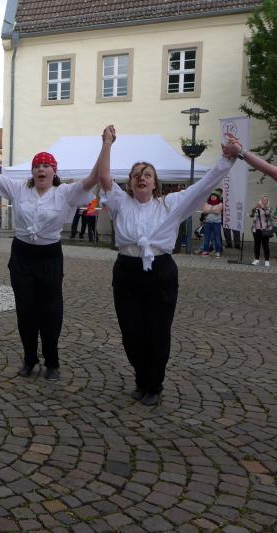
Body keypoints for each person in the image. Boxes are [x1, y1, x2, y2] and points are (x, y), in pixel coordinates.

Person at [99, 130, 240, 406]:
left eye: (147, 174)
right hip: (127, 271)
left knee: (157, 331)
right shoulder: (120, 202)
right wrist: (106, 144)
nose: (141, 177)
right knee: (131, 331)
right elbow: (104, 178)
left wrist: (225, 160)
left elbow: (203, 186)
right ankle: (141, 377)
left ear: (155, 184)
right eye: (136, 174)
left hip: (160, 271)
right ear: (130, 183)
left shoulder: (170, 204)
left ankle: (154, 384)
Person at [0, 130, 108, 378]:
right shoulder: (19, 189)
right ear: (32, 172)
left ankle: (52, 362)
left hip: (49, 256)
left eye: (46, 165)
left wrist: (106, 145)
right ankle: (29, 358)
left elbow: (93, 178)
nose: (41, 169)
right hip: (22, 255)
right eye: (37, 166)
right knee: (25, 309)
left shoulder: (65, 192)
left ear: (54, 171)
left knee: (50, 310)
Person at [250, 195, 272, 267]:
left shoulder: (268, 208)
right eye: (262, 200)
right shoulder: (257, 209)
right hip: (256, 229)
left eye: (265, 200)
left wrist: (262, 207)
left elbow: (268, 213)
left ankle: (267, 260)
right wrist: (254, 209)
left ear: (267, 201)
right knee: (257, 245)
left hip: (265, 230)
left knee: (265, 245)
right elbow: (251, 215)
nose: (263, 201)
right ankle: (256, 260)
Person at [200, 191, 223, 257]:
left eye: (214, 196)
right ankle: (205, 251)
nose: (213, 197)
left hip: (216, 223)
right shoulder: (206, 203)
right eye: (212, 196)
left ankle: (218, 251)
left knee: (217, 237)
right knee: (206, 237)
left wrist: (209, 210)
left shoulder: (220, 204)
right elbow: (204, 211)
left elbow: (218, 211)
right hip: (207, 223)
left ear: (217, 197)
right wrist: (212, 210)